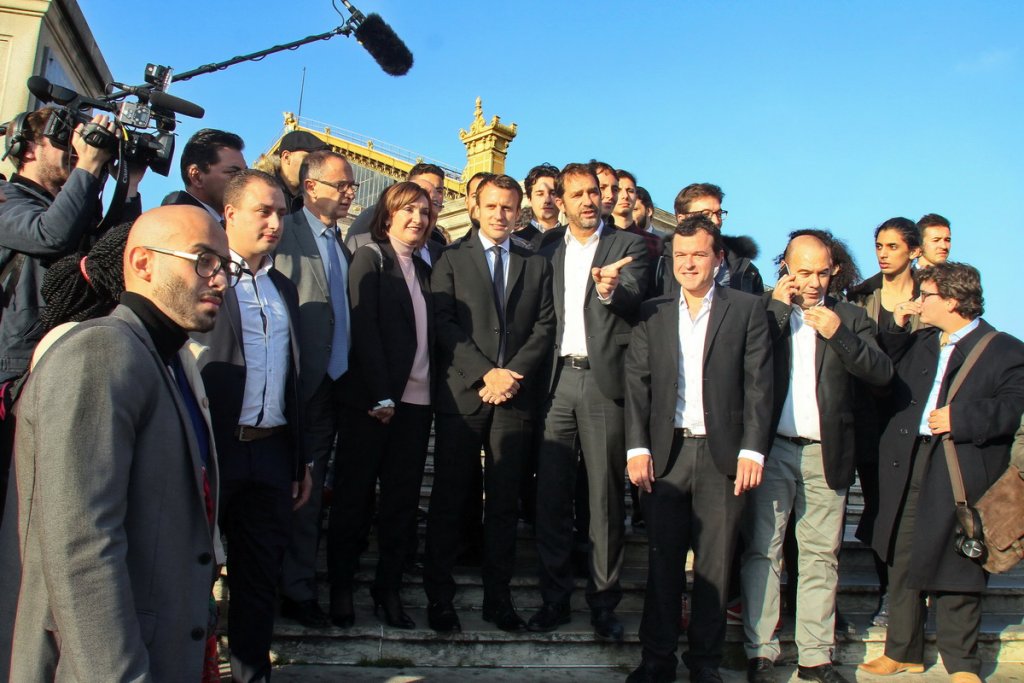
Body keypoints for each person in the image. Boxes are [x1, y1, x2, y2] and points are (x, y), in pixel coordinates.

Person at [8, 204, 233, 681]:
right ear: (143, 262)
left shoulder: (167, 361)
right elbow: (82, 543)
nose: (219, 279)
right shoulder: (101, 350)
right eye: (202, 260)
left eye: (224, 267)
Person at [859, 263, 1024, 683]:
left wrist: (962, 417)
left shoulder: (1005, 349)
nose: (919, 301)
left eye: (926, 295)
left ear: (951, 301)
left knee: (959, 562)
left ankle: (962, 664)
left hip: (959, 467)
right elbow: (881, 368)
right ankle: (903, 651)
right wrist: (896, 325)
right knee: (901, 554)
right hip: (908, 460)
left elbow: (1011, 408)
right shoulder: (921, 340)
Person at [624, 214, 772, 683]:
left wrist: (753, 450)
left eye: (699, 254)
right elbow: (638, 385)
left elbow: (759, 385)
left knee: (715, 567)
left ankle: (705, 665)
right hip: (665, 456)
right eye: (681, 255)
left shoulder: (747, 309)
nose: (689, 263)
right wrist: (636, 447)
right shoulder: (653, 311)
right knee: (663, 564)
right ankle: (657, 660)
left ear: (718, 258)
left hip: (723, 457)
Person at [741, 234, 892, 683]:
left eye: (822, 273)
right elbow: (743, 364)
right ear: (785, 268)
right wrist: (777, 309)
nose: (812, 282)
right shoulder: (766, 312)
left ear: (835, 272)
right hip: (772, 449)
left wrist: (839, 336)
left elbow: (882, 374)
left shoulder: (851, 316)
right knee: (762, 552)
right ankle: (760, 652)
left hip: (827, 453)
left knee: (821, 556)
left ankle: (815, 656)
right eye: (802, 272)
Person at [191, 169, 311, 680]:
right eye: (264, 211)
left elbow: (292, 378)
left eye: (281, 212)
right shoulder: (205, 276)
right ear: (231, 213)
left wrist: (299, 457)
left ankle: (250, 674)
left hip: (271, 453)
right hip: (215, 451)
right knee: (193, 570)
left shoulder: (284, 287)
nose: (275, 222)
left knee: (259, 579)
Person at [424, 174, 555, 633]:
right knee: (450, 498)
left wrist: (511, 375)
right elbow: (444, 323)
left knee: (503, 503)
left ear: (519, 211)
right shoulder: (450, 259)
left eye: (509, 207)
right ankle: (439, 598)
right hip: (464, 395)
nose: (501, 215)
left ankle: (498, 599)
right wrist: (486, 373)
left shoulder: (535, 263)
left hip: (515, 397)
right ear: (474, 207)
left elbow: (545, 326)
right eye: (493, 206)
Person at [0, 107, 142, 524]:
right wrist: (92, 165)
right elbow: (49, 236)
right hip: (16, 372)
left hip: (67, 358)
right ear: (26, 149)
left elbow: (114, 254)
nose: (74, 151)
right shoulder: (8, 200)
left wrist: (128, 185)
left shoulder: (74, 205)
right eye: (62, 142)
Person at [530, 163, 647, 641]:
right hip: (556, 383)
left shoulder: (629, 244)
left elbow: (640, 295)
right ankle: (555, 599)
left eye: (594, 192)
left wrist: (612, 289)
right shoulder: (545, 246)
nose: (587, 200)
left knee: (603, 498)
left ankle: (603, 603)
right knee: (552, 497)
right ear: (559, 199)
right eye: (576, 193)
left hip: (603, 383)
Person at [326, 181, 436, 630]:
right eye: (408, 210)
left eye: (425, 212)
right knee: (353, 499)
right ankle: (340, 587)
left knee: (401, 504)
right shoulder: (370, 257)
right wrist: (380, 394)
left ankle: (388, 588)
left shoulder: (429, 266)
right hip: (374, 402)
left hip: (417, 403)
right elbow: (363, 328)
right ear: (388, 215)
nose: (418, 219)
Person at [274, 149, 356, 628]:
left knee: (310, 493)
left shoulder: (340, 244)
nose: (350, 192)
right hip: (289, 386)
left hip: (332, 388)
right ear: (311, 187)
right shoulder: (285, 231)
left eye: (349, 185)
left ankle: (299, 589)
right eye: (340, 185)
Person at [848, 216, 923, 626]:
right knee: (879, 506)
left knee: (913, 509)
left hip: (918, 416)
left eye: (892, 246)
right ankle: (887, 592)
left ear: (914, 251)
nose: (882, 252)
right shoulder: (861, 297)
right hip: (872, 420)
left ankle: (912, 592)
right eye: (878, 245)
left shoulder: (933, 294)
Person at [653, 183, 763, 297]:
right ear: (682, 219)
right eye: (706, 214)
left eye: (719, 214)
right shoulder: (659, 265)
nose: (716, 221)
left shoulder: (747, 270)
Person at [162, 128, 246, 221]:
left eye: (245, 172)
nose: (245, 181)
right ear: (196, 176)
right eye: (233, 172)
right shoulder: (180, 224)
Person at [277, 130, 329, 213]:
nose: (314, 165)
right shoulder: (262, 190)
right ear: (286, 157)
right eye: (308, 158)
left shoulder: (312, 200)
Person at [516, 163, 561, 249]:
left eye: (553, 193)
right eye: (540, 194)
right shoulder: (516, 242)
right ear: (529, 199)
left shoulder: (573, 240)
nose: (547, 200)